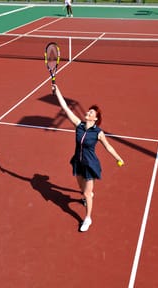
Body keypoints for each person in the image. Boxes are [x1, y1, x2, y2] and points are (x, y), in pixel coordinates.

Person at [52, 84, 124, 232]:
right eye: (88, 110)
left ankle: (87, 218)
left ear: (95, 118)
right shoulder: (78, 125)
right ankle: (87, 195)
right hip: (78, 162)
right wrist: (57, 91)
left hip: (90, 165)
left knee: (86, 193)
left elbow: (108, 146)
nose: (87, 112)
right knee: (81, 188)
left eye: (91, 112)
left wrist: (118, 158)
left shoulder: (98, 132)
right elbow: (65, 108)